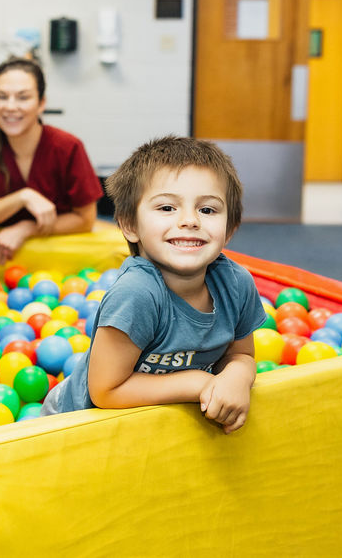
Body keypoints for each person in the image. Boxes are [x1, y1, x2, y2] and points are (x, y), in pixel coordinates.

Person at [43, 136, 267, 434]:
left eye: (208, 210)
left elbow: (240, 354)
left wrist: (237, 376)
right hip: (74, 422)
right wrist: (199, 382)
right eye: (166, 208)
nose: (189, 220)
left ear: (229, 230)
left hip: (152, 426)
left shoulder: (235, 285)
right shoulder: (137, 293)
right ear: (129, 225)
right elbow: (105, 391)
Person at [0, 58, 103, 268]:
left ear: (41, 103)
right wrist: (22, 197)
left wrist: (26, 228)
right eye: (1, 96)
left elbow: (85, 219)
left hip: (59, 265)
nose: (10, 107)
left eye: (23, 97)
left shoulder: (67, 147)